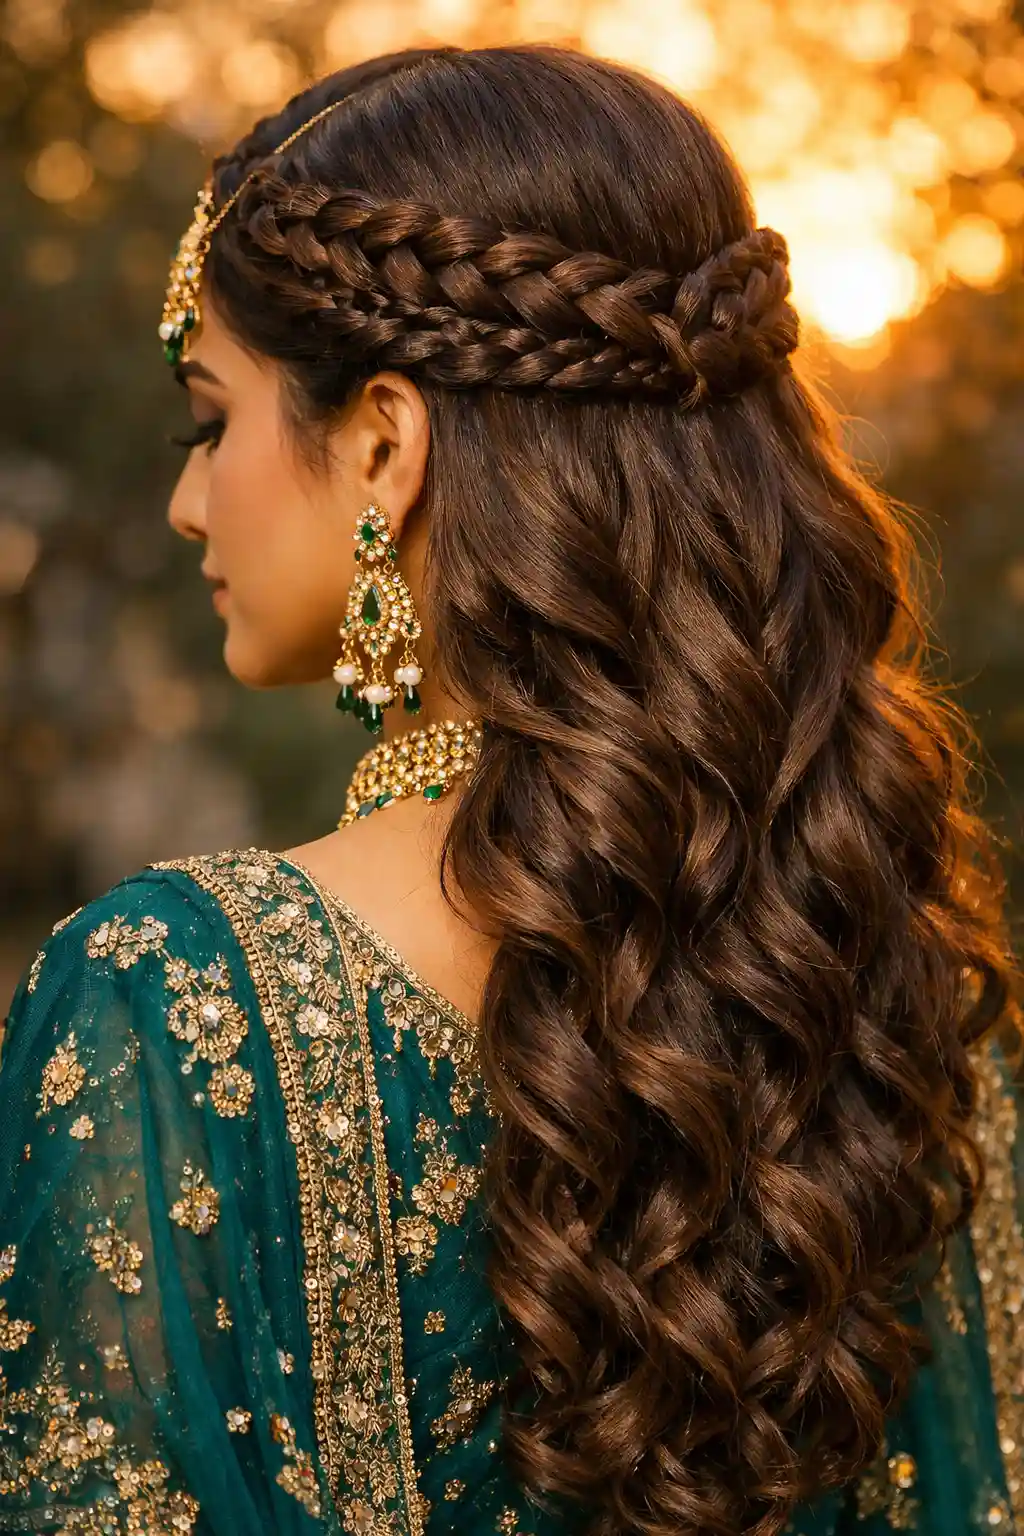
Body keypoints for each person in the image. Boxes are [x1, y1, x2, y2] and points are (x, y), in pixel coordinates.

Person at [0, 42, 1021, 1536]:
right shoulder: (896, 995)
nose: (186, 498)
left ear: (385, 443)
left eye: (209, 421)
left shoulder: (169, 997)